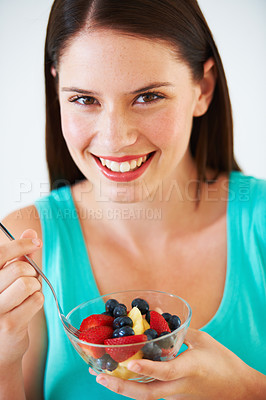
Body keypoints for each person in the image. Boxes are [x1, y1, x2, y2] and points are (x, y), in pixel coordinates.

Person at [0, 0, 265, 399]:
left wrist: (249, 390)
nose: (115, 138)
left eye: (148, 96)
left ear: (202, 90)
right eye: (84, 100)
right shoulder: (24, 247)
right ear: (57, 91)